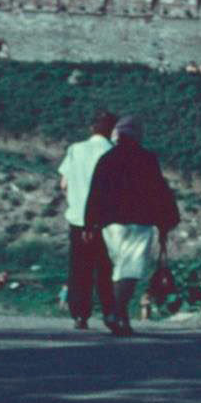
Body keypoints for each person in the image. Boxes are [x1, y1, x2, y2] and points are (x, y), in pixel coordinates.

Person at [85, 115, 181, 337]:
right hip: (140, 222)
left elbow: (95, 193)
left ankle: (116, 313)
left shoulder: (106, 159)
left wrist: (90, 225)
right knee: (130, 268)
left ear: (116, 135)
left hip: (111, 224)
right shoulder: (147, 159)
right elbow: (159, 192)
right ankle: (119, 312)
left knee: (119, 266)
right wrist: (166, 221)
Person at [56, 108, 118, 331]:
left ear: (91, 128)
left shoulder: (76, 149)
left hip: (78, 219)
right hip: (106, 221)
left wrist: (75, 199)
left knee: (80, 268)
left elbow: (63, 183)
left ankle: (80, 315)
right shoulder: (114, 153)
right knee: (105, 268)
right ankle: (110, 311)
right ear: (112, 130)